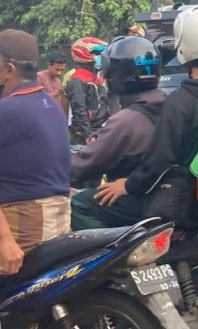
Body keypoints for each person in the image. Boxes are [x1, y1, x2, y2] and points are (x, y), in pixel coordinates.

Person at [90, 6, 198, 228]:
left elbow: (160, 159)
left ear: (184, 47)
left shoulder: (180, 101)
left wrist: (129, 185)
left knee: (84, 204)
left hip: (182, 203)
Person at [70, 36, 166, 229]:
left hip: (142, 200)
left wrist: (47, 171)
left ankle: (111, 258)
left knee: (79, 204)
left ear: (116, 75)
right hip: (170, 196)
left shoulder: (126, 121)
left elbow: (82, 166)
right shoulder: (171, 105)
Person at [0, 29, 71, 266]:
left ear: (9, 70)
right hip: (57, 221)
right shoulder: (49, 104)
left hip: (23, 223)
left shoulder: (9, 110)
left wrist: (4, 239)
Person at [66, 37, 109, 145]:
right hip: (84, 137)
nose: (100, 57)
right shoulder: (77, 80)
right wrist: (89, 135)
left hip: (100, 132)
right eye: (97, 53)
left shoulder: (96, 78)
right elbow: (80, 110)